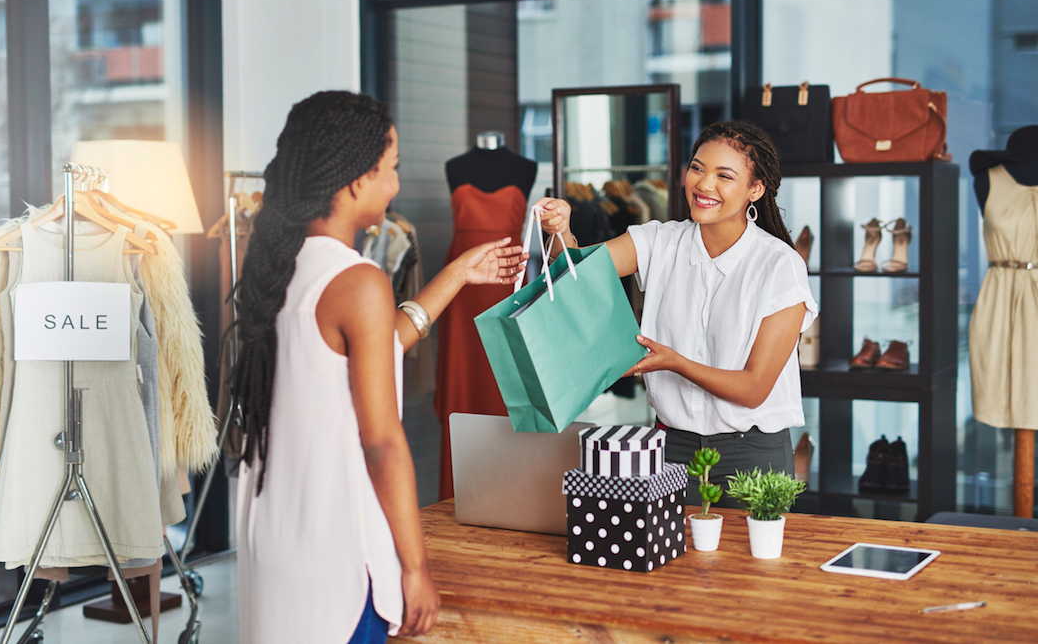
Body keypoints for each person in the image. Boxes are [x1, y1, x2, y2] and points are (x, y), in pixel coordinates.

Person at [231, 91, 527, 644]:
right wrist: (414, 567)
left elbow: (376, 344)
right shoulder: (357, 280)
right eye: (391, 169)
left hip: (274, 535)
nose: (395, 184)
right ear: (353, 182)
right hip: (338, 551)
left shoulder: (275, 266)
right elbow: (382, 443)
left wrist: (458, 274)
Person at [537, 120, 817, 504]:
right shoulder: (658, 241)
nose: (704, 184)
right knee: (670, 563)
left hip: (751, 455)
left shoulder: (779, 265)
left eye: (724, 175)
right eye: (698, 168)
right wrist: (560, 230)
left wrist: (675, 362)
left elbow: (754, 389)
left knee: (750, 565)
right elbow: (575, 273)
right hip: (670, 450)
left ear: (756, 188)